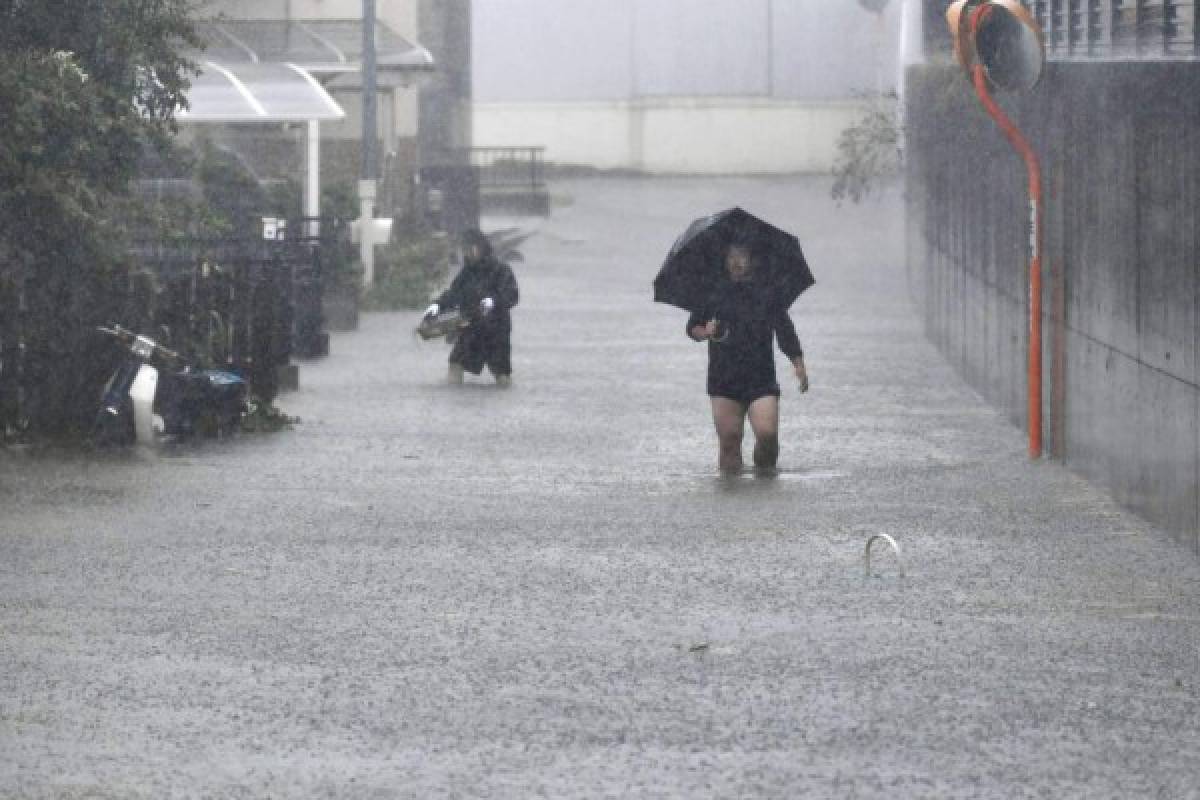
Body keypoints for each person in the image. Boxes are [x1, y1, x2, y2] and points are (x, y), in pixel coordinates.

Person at [687, 242, 809, 474]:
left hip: (760, 379)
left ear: (752, 260)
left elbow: (784, 330)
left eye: (742, 256)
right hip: (724, 379)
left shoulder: (768, 293)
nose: (736, 262)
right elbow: (693, 328)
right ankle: (733, 502)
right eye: (731, 256)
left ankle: (765, 482)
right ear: (725, 261)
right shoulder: (712, 291)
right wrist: (706, 332)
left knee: (767, 435)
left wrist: (798, 363)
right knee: (730, 441)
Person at [423, 229, 519, 386]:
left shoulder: (501, 270)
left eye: (470, 248)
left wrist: (493, 301)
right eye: (464, 249)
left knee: (501, 374)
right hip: (471, 328)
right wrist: (437, 305)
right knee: (455, 363)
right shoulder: (467, 273)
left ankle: (504, 397)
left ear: (481, 248)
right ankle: (453, 394)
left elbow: (512, 295)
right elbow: (454, 293)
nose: (467, 253)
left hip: (496, 332)